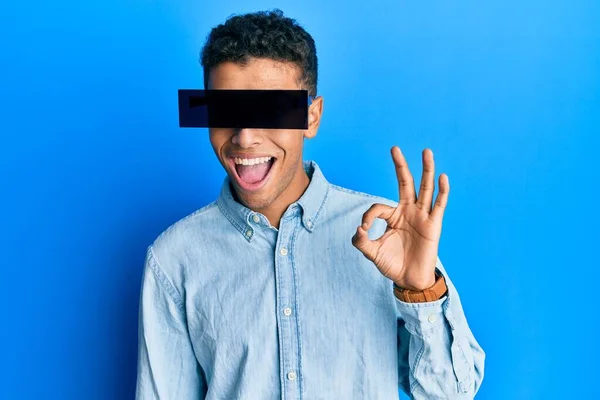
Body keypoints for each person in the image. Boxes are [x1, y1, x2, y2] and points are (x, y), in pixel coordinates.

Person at [135, 9, 485, 399]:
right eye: (224, 110)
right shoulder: (174, 260)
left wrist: (420, 290)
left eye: (269, 111)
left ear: (311, 117)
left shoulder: (388, 235)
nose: (245, 137)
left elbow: (453, 393)